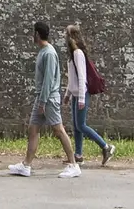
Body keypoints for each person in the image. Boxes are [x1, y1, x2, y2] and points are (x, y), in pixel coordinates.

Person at [8, 21, 81, 178]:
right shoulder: (43, 51)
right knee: (33, 129)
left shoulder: (48, 53)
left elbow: (48, 80)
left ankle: (73, 164)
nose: (32, 36)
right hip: (41, 97)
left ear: (37, 34)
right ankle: (26, 165)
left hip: (48, 99)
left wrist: (42, 102)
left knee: (58, 130)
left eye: (33, 33)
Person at [63, 24, 115, 167]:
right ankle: (78, 155)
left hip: (81, 93)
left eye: (67, 35)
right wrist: (68, 94)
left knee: (81, 125)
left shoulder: (78, 53)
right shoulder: (72, 55)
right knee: (76, 126)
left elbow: (82, 77)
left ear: (72, 37)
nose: (65, 38)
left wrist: (80, 98)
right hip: (75, 94)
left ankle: (106, 147)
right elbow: (72, 78)